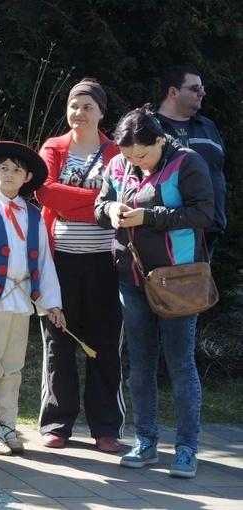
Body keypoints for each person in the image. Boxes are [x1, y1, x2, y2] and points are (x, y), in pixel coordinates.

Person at [94, 106, 213, 479]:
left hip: (178, 279)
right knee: (140, 365)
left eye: (142, 154)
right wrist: (111, 208)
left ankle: (186, 449)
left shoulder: (188, 163)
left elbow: (203, 214)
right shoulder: (118, 164)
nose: (136, 162)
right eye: (129, 156)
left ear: (160, 140)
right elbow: (99, 206)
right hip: (131, 278)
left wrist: (149, 216)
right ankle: (145, 441)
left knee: (180, 365)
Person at [34, 78, 125, 452]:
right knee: (59, 342)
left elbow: (121, 199)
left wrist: (73, 202)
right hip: (59, 262)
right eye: (74, 105)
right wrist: (97, 204)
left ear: (102, 112)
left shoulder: (118, 152)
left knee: (105, 343)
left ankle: (106, 427)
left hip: (107, 263)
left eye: (88, 106)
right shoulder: (53, 148)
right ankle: (57, 423)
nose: (79, 113)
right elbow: (43, 190)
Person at [0, 141, 64, 456]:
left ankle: (7, 427)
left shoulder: (33, 215)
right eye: (3, 168)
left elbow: (44, 262)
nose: (9, 174)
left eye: (16, 170)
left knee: (12, 368)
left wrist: (51, 303)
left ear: (26, 177)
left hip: (20, 302)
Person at [154, 65, 226, 258]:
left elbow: (218, 172)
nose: (202, 93)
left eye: (202, 88)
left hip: (208, 232)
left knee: (197, 288)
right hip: (163, 235)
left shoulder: (207, 126)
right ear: (173, 92)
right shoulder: (149, 127)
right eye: (195, 88)